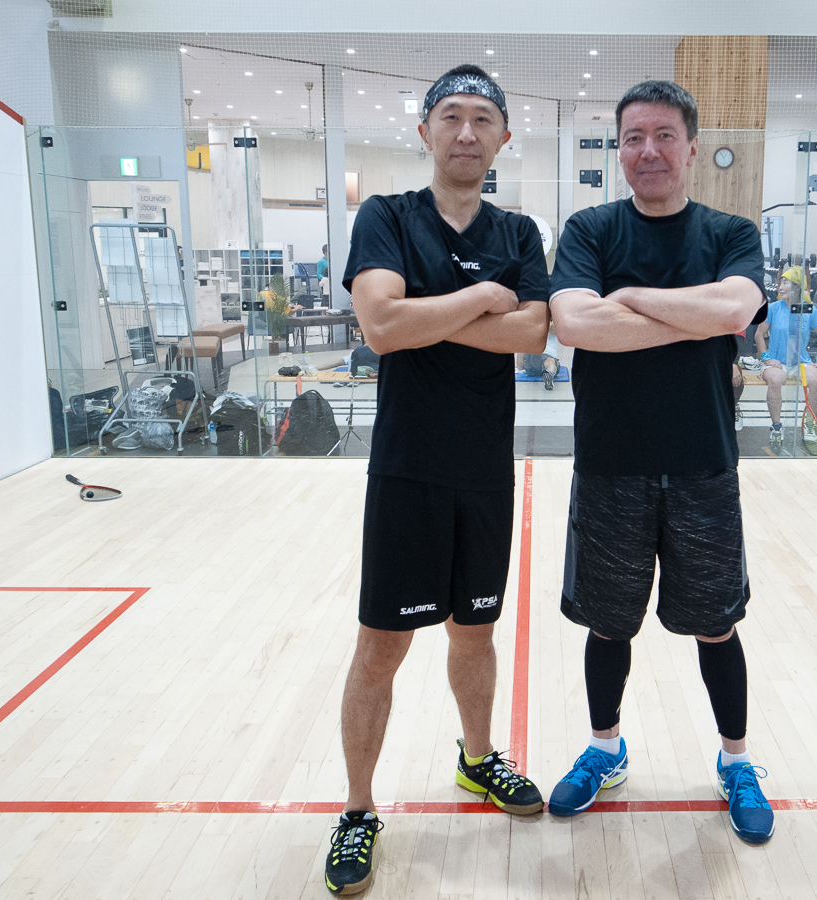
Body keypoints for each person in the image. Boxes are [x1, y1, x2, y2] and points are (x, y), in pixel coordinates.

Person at [326, 64, 550, 896]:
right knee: (381, 647)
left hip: (484, 473)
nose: (465, 131)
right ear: (424, 132)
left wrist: (432, 311)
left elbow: (532, 335)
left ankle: (478, 759)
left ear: (502, 137)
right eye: (450, 116)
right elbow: (381, 325)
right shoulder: (386, 217)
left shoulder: (519, 232)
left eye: (482, 118)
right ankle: (358, 809)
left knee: (475, 633)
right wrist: (485, 296)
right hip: (407, 470)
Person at [546, 80, 773, 844]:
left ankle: (736, 762)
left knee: (717, 627)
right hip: (610, 466)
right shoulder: (589, 229)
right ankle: (605, 750)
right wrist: (695, 316)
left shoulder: (731, 231)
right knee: (608, 626)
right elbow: (574, 323)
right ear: (619, 149)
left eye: (664, 135)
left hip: (703, 466)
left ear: (692, 146)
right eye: (634, 137)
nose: (649, 150)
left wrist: (630, 297)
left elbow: (737, 309)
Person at [755, 265, 817, 451]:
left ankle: (810, 424)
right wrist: (766, 358)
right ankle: (777, 427)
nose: (780, 287)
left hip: (800, 362)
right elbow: (759, 334)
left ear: (796, 287)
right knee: (776, 379)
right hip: (777, 362)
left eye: (785, 283)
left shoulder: (808, 310)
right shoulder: (773, 308)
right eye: (780, 282)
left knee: (816, 380)